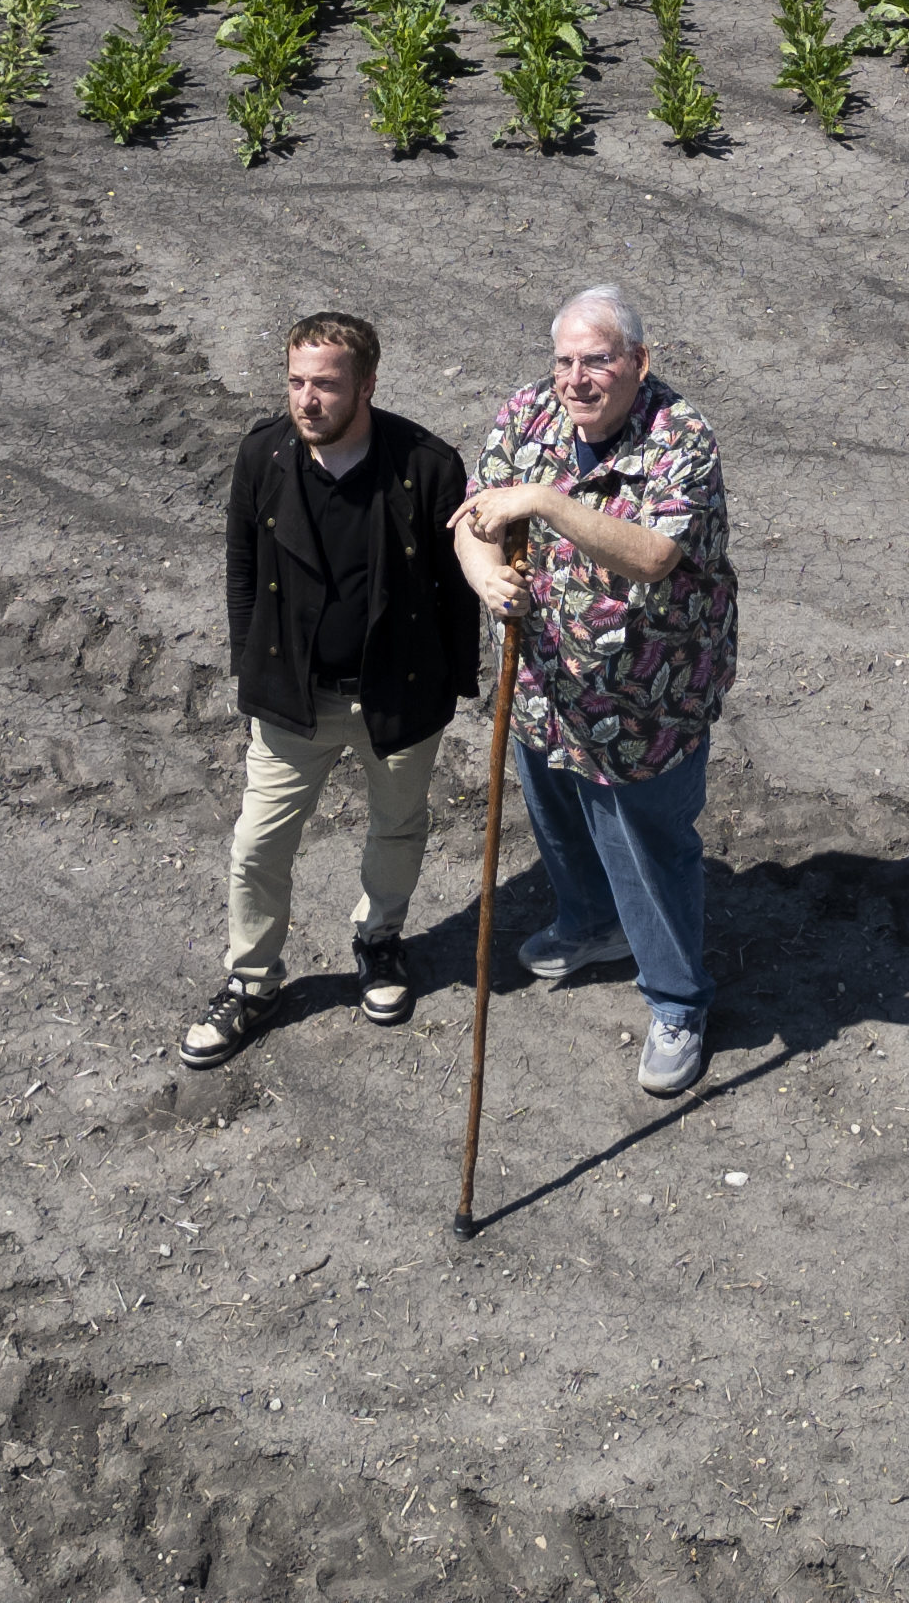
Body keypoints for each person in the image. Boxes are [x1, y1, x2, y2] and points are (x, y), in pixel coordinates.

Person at [453, 283, 737, 1100]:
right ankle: (591, 924)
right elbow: (479, 521)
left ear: (639, 363)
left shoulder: (682, 437)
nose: (576, 379)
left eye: (598, 360)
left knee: (648, 846)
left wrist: (546, 499)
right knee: (558, 817)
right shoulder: (528, 412)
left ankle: (678, 1002)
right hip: (546, 678)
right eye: (565, 361)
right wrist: (487, 583)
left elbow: (651, 556)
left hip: (651, 695)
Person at [182, 309, 481, 1070]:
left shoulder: (428, 466)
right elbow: (243, 569)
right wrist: (253, 666)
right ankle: (252, 983)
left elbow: (456, 590)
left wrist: (452, 685)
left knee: (398, 826)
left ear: (367, 386)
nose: (306, 400)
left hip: (398, 698)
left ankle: (380, 943)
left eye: (324, 385)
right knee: (258, 842)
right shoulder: (265, 457)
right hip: (295, 698)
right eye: (295, 382)